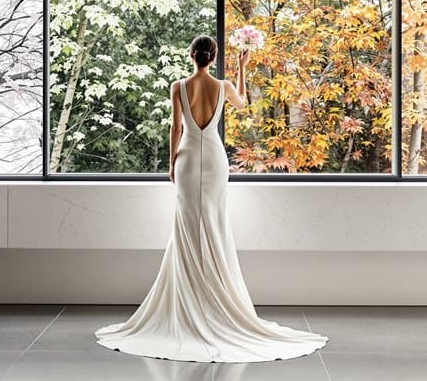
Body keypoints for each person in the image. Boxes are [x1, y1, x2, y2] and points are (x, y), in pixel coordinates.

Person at [94, 35, 328, 363]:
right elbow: (243, 103)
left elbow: (176, 128)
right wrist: (243, 68)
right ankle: (214, 301)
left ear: (191, 55)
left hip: (189, 159)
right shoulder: (223, 85)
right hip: (216, 161)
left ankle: (191, 301)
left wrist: (171, 164)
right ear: (213, 57)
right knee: (215, 225)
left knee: (188, 226)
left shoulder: (178, 86)